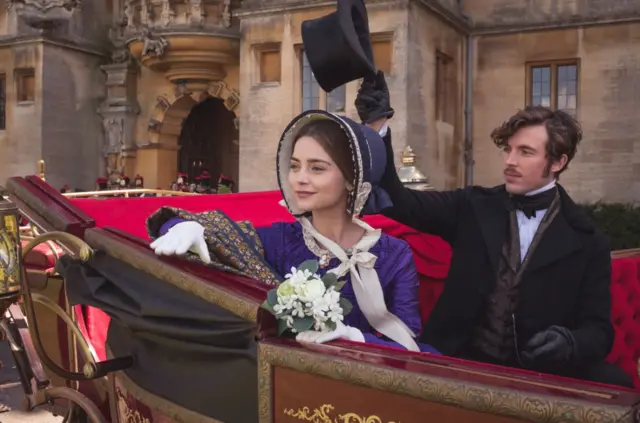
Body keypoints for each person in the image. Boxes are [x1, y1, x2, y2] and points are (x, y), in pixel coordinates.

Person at [353, 72, 632, 387]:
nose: (509, 161)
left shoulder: (588, 240)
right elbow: (400, 202)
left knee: (616, 384)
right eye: (508, 149)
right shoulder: (473, 206)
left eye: (525, 152)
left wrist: (569, 342)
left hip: (540, 377)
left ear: (557, 162)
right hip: (461, 362)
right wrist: (377, 127)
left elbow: (599, 331)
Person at [147, 110, 439, 353]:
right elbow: (213, 234)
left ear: (353, 179)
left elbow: (408, 345)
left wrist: (354, 338)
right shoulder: (281, 240)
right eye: (295, 166)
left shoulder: (393, 254)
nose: (300, 179)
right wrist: (184, 226)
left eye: (317, 168)